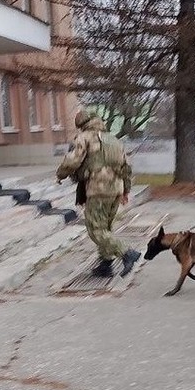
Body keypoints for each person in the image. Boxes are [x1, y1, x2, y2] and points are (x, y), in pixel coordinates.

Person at [56, 110, 141, 277]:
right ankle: (105, 264)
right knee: (106, 228)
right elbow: (126, 167)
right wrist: (126, 190)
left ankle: (126, 253)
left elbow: (73, 160)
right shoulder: (113, 139)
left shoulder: (85, 137)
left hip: (97, 189)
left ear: (82, 125)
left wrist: (60, 174)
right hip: (115, 189)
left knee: (95, 230)